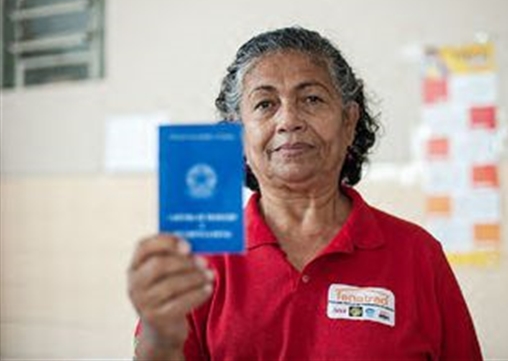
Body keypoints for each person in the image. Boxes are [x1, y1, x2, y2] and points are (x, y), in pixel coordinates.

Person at [128, 26, 483, 361]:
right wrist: (160, 339)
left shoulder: (417, 254)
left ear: (348, 122)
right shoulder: (200, 259)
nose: (288, 120)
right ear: (237, 133)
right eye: (265, 104)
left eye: (312, 98)